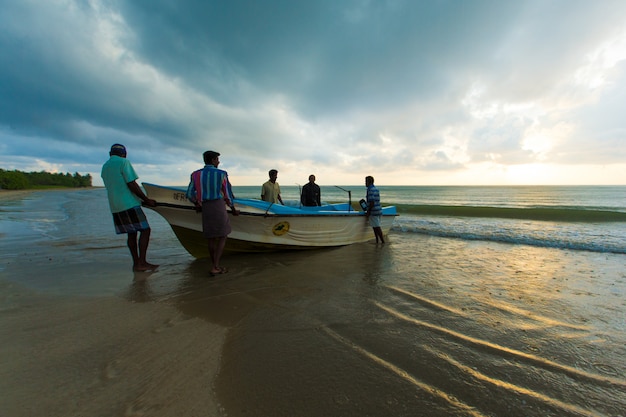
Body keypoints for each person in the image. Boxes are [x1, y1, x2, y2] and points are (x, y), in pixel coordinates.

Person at [101, 144, 159, 271]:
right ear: (124, 154)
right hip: (128, 203)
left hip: (115, 206)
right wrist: (146, 199)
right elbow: (131, 183)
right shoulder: (124, 162)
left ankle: (136, 263)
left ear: (110, 153)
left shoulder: (105, 166)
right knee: (145, 230)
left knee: (131, 234)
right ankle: (142, 262)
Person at [187, 150, 239, 276]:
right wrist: (232, 208)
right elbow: (227, 195)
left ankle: (214, 264)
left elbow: (189, 194)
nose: (219, 162)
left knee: (211, 238)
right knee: (223, 235)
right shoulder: (221, 174)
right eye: (217, 159)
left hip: (206, 207)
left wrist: (197, 204)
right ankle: (215, 266)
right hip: (218, 205)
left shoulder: (195, 174)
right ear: (213, 160)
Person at [365, 175, 385, 244]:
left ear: (369, 182)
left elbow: (372, 202)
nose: (365, 183)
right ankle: (377, 240)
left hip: (374, 211)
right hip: (378, 210)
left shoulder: (370, 190)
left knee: (377, 227)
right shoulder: (376, 188)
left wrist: (368, 212)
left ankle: (382, 241)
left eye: (366, 181)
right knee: (375, 226)